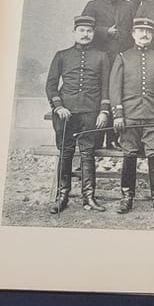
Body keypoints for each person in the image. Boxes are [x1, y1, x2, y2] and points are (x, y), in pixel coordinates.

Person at [109, 17, 154, 215]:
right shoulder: (123, 57)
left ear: (152, 35)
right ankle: (126, 197)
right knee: (129, 154)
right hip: (129, 117)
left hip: (153, 117)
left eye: (148, 32)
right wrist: (118, 115)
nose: (144, 34)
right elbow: (114, 89)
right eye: (140, 31)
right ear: (133, 34)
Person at [45, 16, 111, 214]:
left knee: (87, 154)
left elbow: (106, 87)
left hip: (90, 113)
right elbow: (51, 85)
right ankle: (62, 196)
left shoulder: (101, 56)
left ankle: (89, 197)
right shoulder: (62, 56)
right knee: (66, 152)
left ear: (93, 34)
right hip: (66, 114)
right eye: (81, 30)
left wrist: (104, 111)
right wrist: (58, 107)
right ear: (74, 32)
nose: (85, 34)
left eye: (89, 31)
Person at [81, 0, 134, 149]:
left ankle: (113, 138)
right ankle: (96, 137)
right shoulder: (93, 5)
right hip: (100, 60)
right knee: (100, 95)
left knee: (118, 95)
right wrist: (105, 31)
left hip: (121, 60)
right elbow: (84, 29)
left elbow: (134, 30)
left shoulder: (129, 6)